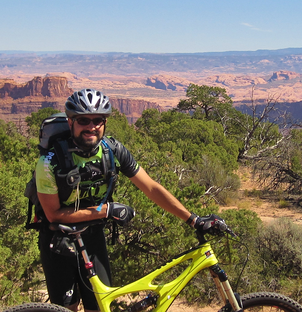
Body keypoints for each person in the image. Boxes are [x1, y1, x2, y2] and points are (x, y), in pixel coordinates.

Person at [36, 88, 219, 312]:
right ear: (71, 121)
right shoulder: (49, 161)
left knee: (100, 307)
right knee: (68, 309)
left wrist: (193, 219)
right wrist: (106, 211)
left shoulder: (112, 150)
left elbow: (151, 187)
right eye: (83, 120)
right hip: (58, 241)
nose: (91, 126)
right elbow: (53, 214)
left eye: (98, 120)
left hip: (93, 237)